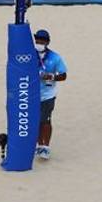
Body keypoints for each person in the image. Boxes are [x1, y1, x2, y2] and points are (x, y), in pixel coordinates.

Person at [34, 29, 67, 160]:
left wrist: (51, 76)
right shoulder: (30, 54)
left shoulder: (55, 57)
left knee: (46, 120)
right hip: (32, 94)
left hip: (47, 94)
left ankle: (45, 146)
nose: (39, 42)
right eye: (37, 40)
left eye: (41, 40)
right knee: (35, 120)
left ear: (47, 42)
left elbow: (63, 75)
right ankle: (38, 145)